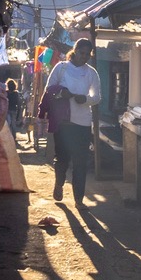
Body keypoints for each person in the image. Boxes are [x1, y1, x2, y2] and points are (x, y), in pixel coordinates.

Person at [43, 38, 101, 205]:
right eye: (82, 53)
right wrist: (62, 93)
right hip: (63, 123)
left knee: (81, 163)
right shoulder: (61, 68)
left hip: (82, 123)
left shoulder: (91, 73)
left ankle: (79, 200)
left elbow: (97, 97)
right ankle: (59, 184)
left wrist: (86, 100)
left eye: (87, 54)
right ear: (74, 51)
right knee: (62, 159)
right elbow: (49, 88)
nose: (84, 57)